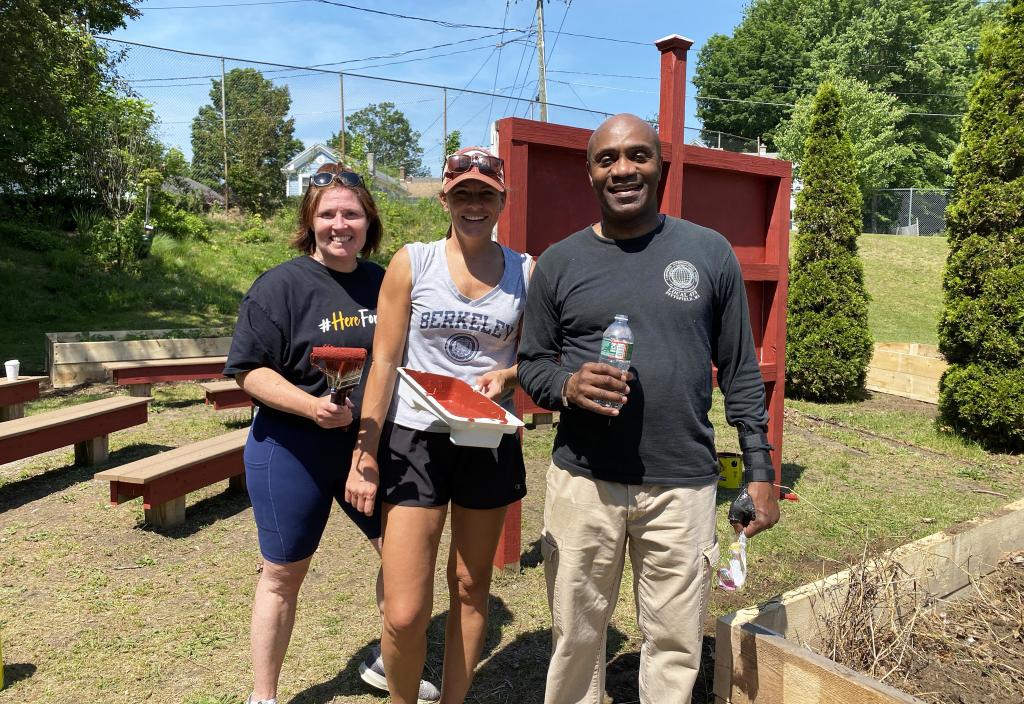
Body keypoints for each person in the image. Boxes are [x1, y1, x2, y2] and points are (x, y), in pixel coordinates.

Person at [516, 113, 781, 704]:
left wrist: (761, 470)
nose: (623, 169)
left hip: (682, 485)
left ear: (661, 165)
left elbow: (739, 370)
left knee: (675, 643)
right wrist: (567, 385)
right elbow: (532, 364)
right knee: (575, 639)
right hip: (583, 483)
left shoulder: (707, 253)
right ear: (589, 173)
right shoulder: (560, 262)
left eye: (637, 155)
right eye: (607, 159)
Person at [224, 163, 440, 704]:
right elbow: (249, 370)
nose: (339, 224)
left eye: (351, 213)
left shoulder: (385, 281)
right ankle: (264, 696)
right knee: (282, 574)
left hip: (370, 447)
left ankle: (385, 660)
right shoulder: (280, 286)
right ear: (310, 222)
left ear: (369, 221)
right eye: (328, 214)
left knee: (400, 560)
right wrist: (309, 406)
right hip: (292, 448)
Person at [345, 147, 531, 704]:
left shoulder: (526, 270)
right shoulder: (413, 262)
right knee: (404, 611)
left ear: (503, 200)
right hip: (415, 439)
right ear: (445, 197)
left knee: (472, 586)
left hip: (487, 440)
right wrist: (367, 447)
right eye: (463, 193)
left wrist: (510, 374)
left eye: (486, 194)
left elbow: (544, 354)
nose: (474, 204)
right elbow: (384, 360)